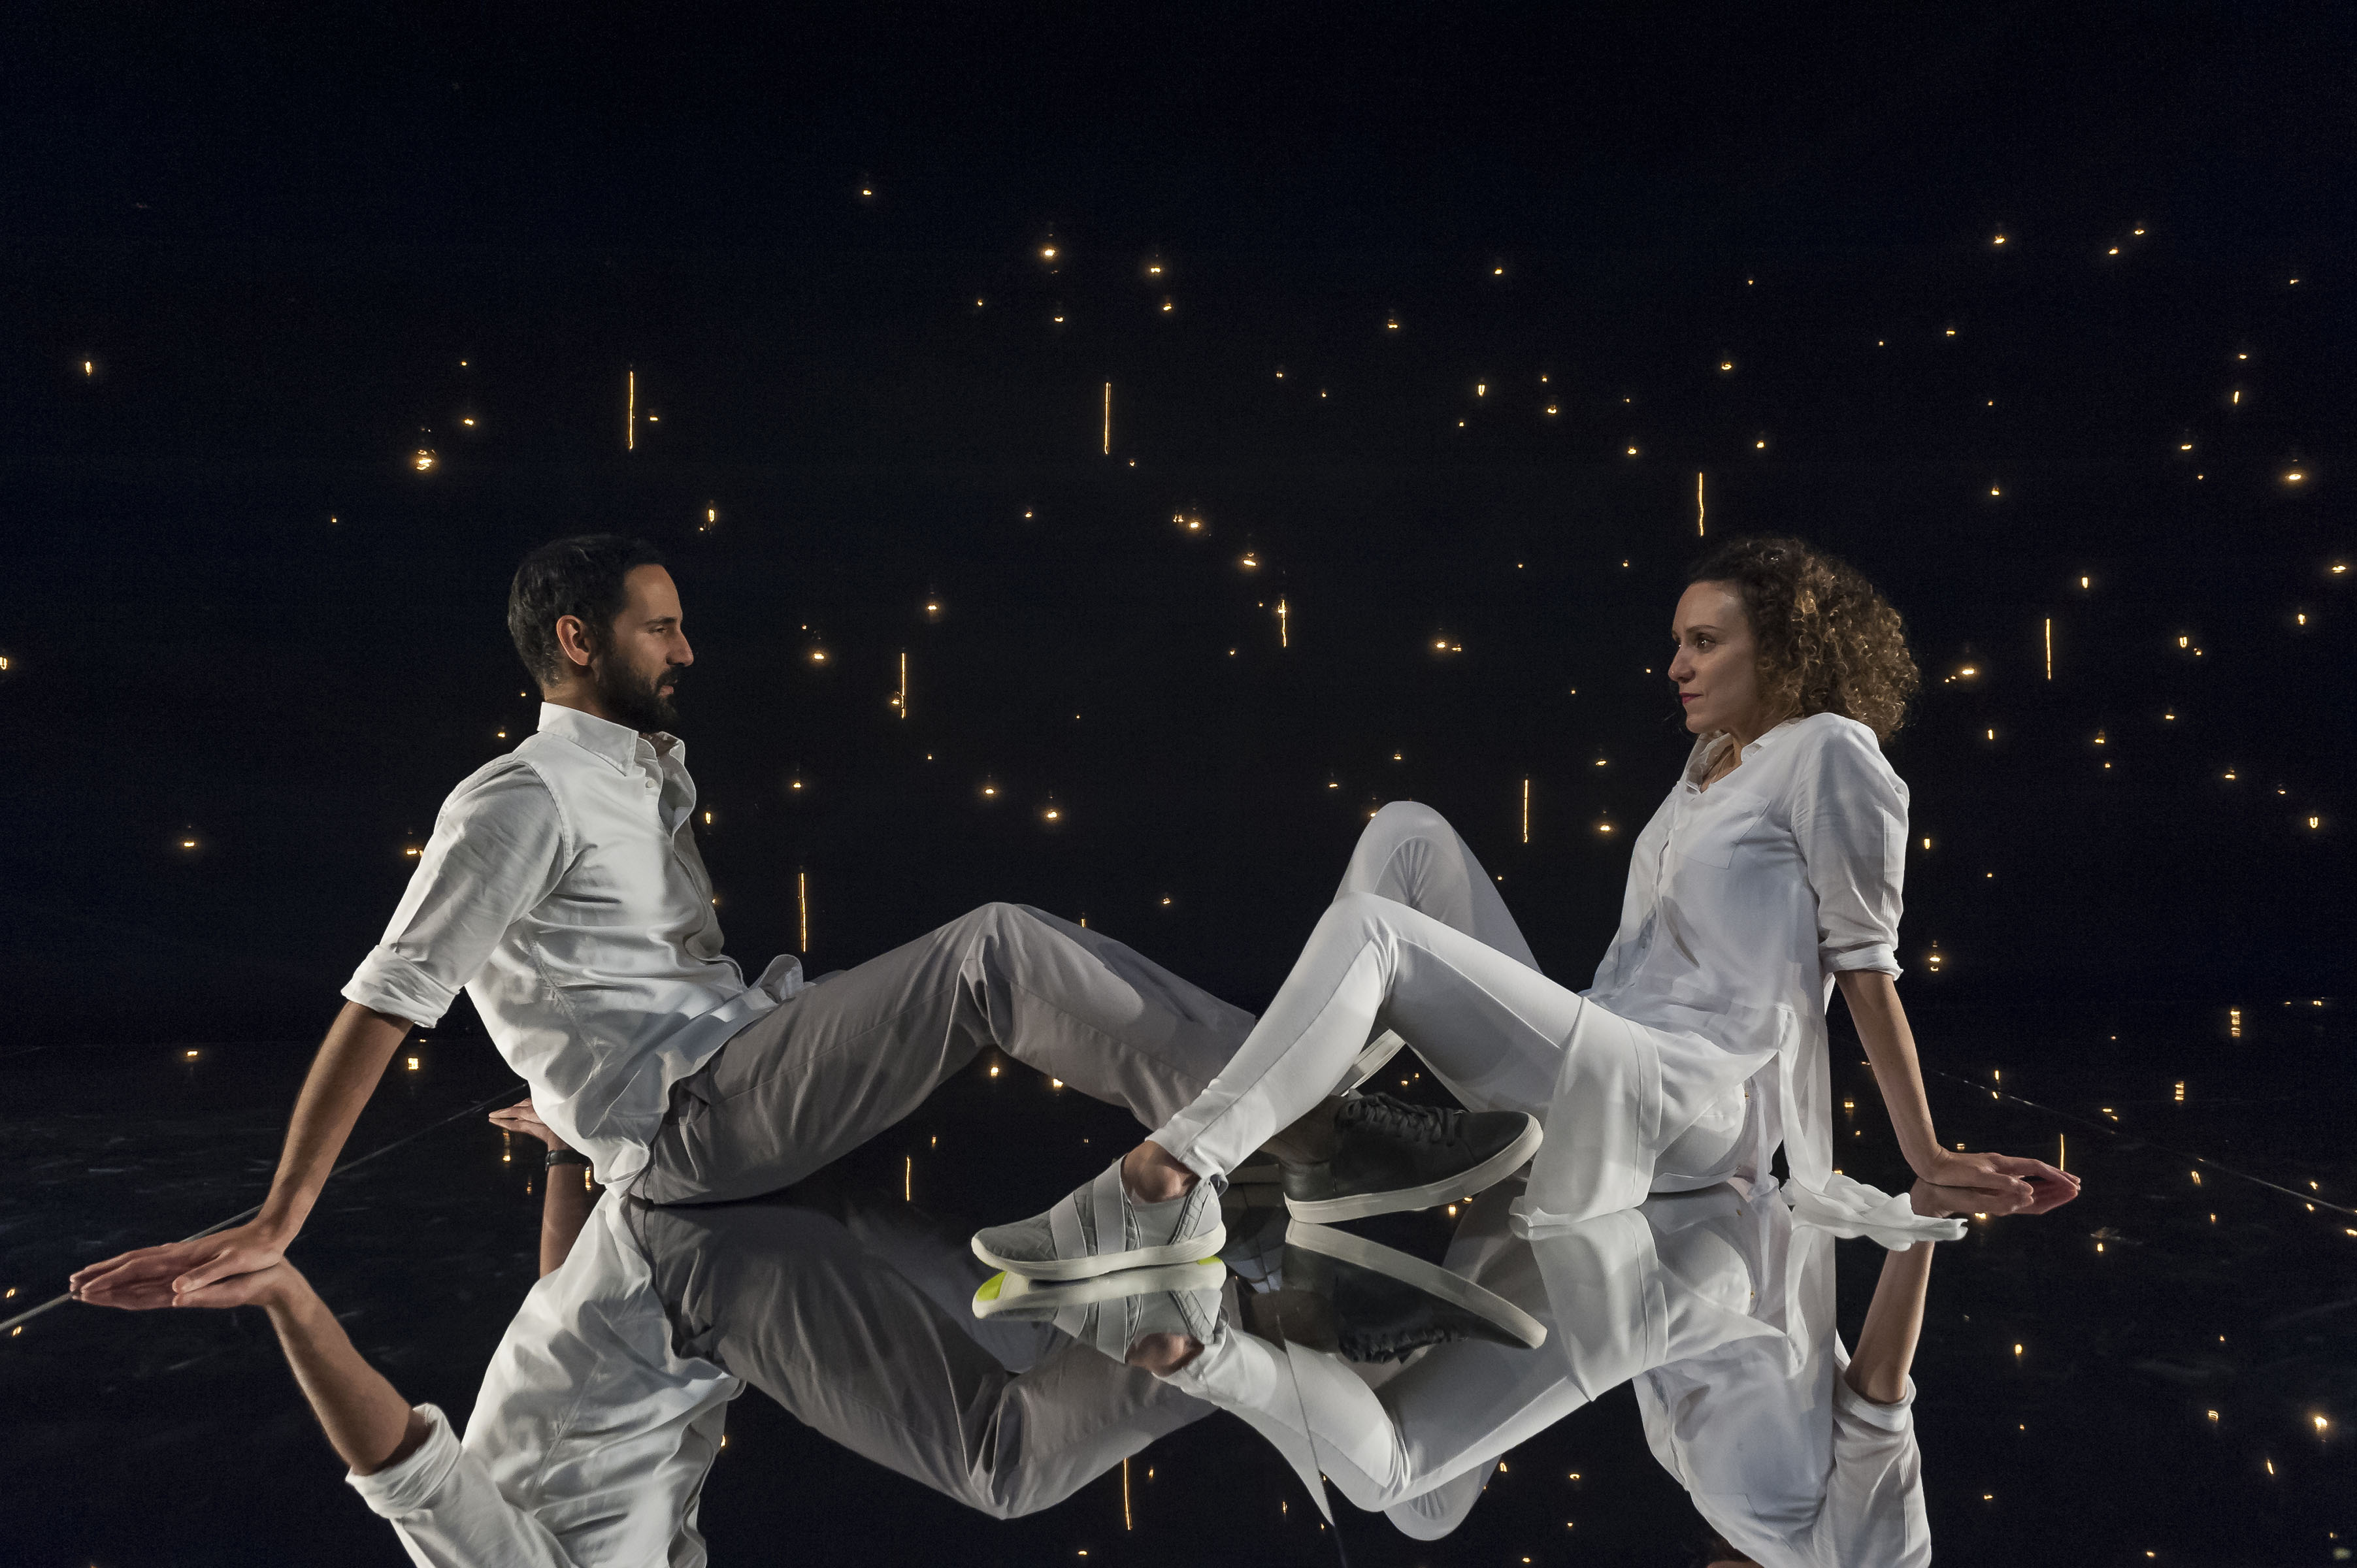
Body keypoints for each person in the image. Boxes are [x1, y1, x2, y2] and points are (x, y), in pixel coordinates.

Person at [73, 534, 1269, 1307]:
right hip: (705, 1117)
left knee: (1058, 949)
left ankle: (1282, 1079)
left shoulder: (635, 774)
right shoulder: (519, 799)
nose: (688, 648)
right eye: (662, 627)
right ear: (578, 641)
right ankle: (1293, 1113)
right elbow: (388, 996)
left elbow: (585, 975)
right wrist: (279, 1221)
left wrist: (567, 1111)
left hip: (722, 1077)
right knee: (997, 948)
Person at [974, 535, 2075, 1318]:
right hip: (1606, 1040)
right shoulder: (1708, 767)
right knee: (1407, 836)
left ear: (1784, 650)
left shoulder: (1833, 749)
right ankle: (1308, 1125)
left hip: (1690, 1102)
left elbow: (1865, 968)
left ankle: (1167, 1181)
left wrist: (1924, 1154)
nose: (1676, 666)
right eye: (1677, 643)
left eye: (1703, 643)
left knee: (1375, 930)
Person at [78, 1114, 1211, 1565]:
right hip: (693, 1260)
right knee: (1020, 1330)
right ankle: (1206, 1215)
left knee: (1005, 1461)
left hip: (707, 1280)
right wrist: (573, 1157)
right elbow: (567, 1317)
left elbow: (405, 1475)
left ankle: (1256, 1323)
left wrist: (287, 1297)